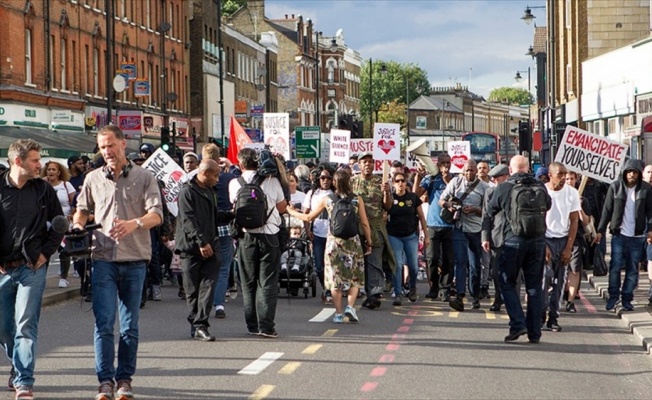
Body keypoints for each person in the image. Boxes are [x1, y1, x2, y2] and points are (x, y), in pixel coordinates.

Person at [73, 125, 164, 400]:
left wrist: (133, 223)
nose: (107, 151)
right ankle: (105, 382)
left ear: (123, 144)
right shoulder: (92, 178)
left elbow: (156, 215)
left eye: (111, 145)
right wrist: (78, 225)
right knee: (103, 323)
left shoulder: (144, 176)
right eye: (102, 147)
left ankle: (124, 379)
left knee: (129, 326)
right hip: (103, 258)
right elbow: (82, 209)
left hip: (135, 259)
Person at [0, 139, 64, 400]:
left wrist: (45, 253)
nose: (41, 165)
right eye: (35, 161)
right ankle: (17, 368)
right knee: (4, 329)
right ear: (18, 161)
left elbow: (60, 223)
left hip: (31, 268)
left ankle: (24, 381)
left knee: (26, 325)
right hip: (3, 269)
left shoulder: (43, 190)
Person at [287, 169, 372, 323]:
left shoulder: (328, 199)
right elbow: (365, 223)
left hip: (334, 242)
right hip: (353, 242)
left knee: (334, 277)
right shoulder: (356, 199)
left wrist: (291, 211)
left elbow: (309, 217)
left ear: (334, 182)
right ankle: (350, 307)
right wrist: (369, 242)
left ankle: (338, 314)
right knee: (355, 276)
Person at [483, 155, 550, 343]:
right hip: (537, 241)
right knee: (534, 287)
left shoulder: (504, 187)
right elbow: (549, 205)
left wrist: (485, 236)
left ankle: (518, 323)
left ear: (510, 171)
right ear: (528, 168)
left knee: (506, 282)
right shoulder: (540, 186)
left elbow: (489, 213)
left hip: (513, 241)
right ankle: (535, 333)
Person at [229, 148, 286, 338]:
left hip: (246, 236)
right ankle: (266, 326)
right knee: (267, 282)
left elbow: (234, 206)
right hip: (269, 235)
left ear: (241, 164)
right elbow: (282, 207)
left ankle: (252, 325)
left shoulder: (234, 183)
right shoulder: (272, 181)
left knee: (248, 282)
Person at [175, 159, 234, 341]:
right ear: (205, 173)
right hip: (191, 248)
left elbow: (212, 215)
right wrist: (201, 242)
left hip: (211, 244)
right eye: (216, 175)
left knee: (208, 287)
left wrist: (231, 214)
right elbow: (188, 220)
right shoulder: (187, 192)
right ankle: (195, 322)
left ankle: (201, 324)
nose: (218, 179)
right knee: (192, 290)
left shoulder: (210, 190)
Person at [595, 159, 652, 311]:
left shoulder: (645, 189)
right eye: (629, 172)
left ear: (639, 174)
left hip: (637, 236)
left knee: (633, 269)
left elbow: (650, 212)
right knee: (615, 267)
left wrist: (650, 230)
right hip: (619, 235)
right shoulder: (615, 187)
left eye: (634, 172)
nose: (631, 175)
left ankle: (627, 298)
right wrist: (600, 230)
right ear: (624, 173)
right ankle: (613, 297)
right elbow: (607, 211)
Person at [439, 159, 488, 311]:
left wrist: (474, 210)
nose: (469, 173)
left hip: (475, 230)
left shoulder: (484, 187)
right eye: (466, 170)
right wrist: (450, 206)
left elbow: (488, 211)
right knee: (460, 262)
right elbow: (441, 200)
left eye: (472, 170)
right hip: (459, 227)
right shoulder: (455, 182)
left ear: (476, 171)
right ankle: (460, 295)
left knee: (474, 265)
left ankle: (475, 295)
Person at [352, 152, 395, 309]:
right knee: (358, 262)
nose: (368, 164)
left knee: (374, 262)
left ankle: (374, 294)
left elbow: (388, 206)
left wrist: (387, 192)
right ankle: (359, 291)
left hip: (375, 227)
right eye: (364, 162)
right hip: (357, 227)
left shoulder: (380, 182)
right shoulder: (352, 182)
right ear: (359, 164)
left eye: (370, 161)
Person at [541, 162, 580, 332]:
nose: (564, 178)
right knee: (544, 278)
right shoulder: (541, 191)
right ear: (550, 175)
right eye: (560, 174)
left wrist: (568, 248)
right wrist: (543, 245)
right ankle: (541, 315)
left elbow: (574, 220)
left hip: (563, 240)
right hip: (546, 239)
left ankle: (553, 318)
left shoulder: (571, 192)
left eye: (565, 174)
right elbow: (538, 220)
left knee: (560, 280)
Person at [201, 144, 238, 319]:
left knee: (204, 268)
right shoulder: (229, 178)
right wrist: (231, 166)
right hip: (224, 227)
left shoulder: (197, 179)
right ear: (218, 159)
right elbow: (242, 181)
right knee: (223, 268)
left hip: (203, 228)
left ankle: (202, 305)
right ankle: (219, 305)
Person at [413, 153, 455, 302]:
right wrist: (419, 177)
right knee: (432, 258)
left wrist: (446, 179)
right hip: (433, 225)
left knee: (448, 260)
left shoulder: (454, 179)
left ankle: (446, 289)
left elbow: (456, 194)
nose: (446, 165)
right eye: (443, 163)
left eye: (448, 163)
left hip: (449, 226)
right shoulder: (430, 178)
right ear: (438, 164)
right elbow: (415, 196)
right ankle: (434, 288)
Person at [386, 171, 428, 305]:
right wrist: (385, 193)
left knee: (414, 266)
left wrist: (426, 235)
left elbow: (421, 217)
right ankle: (397, 293)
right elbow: (385, 209)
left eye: (402, 181)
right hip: (394, 236)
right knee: (397, 265)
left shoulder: (413, 197)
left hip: (411, 236)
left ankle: (412, 287)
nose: (400, 184)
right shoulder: (390, 198)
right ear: (393, 184)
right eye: (397, 181)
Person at [303, 164, 335, 302]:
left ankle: (331, 290)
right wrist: (308, 229)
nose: (325, 180)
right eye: (323, 177)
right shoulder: (312, 194)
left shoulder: (336, 194)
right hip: (317, 234)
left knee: (332, 265)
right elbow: (305, 213)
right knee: (319, 266)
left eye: (328, 177)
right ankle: (326, 287)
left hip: (333, 235)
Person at [41, 161, 76, 288]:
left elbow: (74, 203)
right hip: (47, 223)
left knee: (64, 251)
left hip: (63, 223)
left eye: (53, 170)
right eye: (49, 169)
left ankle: (63, 277)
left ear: (59, 172)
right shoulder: (42, 185)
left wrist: (72, 215)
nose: (51, 172)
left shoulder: (66, 185)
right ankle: (41, 278)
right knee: (46, 250)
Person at [481, 163, 510, 312]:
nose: (495, 181)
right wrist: (485, 237)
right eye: (494, 179)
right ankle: (498, 298)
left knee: (513, 272)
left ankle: (511, 300)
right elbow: (486, 215)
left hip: (513, 236)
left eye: (498, 178)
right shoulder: (490, 192)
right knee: (496, 272)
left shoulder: (514, 191)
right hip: (496, 236)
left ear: (506, 177)